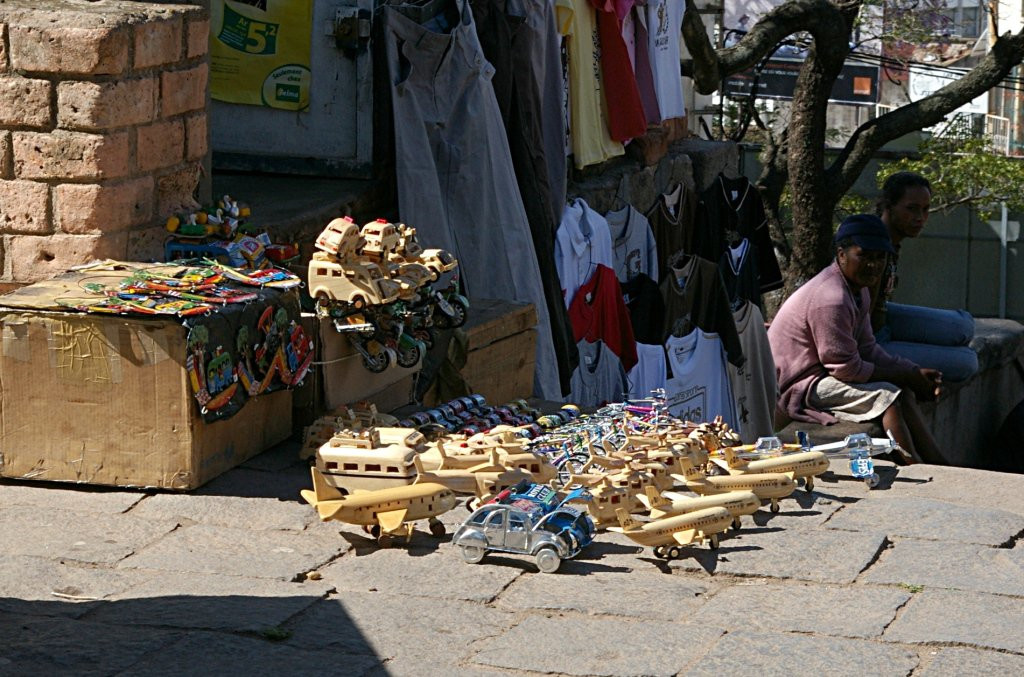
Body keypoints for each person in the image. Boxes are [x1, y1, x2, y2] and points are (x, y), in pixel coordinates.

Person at [769, 214, 944, 463]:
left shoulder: (858, 290)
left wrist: (912, 371)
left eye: (879, 258)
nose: (873, 265)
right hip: (795, 384)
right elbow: (846, 368)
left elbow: (867, 347)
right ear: (841, 254)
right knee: (887, 398)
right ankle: (912, 466)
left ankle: (940, 464)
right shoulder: (831, 297)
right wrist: (906, 375)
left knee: (902, 391)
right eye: (863, 256)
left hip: (819, 373)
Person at [872, 171, 978, 381]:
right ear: (888, 206)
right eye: (911, 209)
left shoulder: (891, 240)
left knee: (963, 325)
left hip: (883, 320)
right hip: (867, 342)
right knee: (966, 361)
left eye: (926, 209)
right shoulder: (871, 245)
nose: (920, 218)